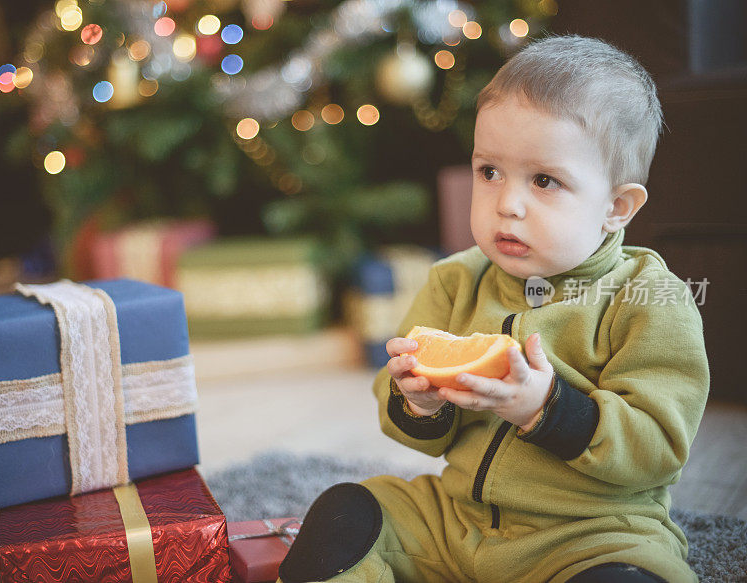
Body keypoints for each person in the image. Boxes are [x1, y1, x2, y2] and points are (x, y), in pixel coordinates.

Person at [277, 34, 709, 583]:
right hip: (456, 523)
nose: (507, 203)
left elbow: (657, 448)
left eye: (545, 180)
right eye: (489, 172)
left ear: (616, 207)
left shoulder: (651, 298)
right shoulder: (455, 280)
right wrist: (418, 402)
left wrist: (545, 407)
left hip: (590, 535)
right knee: (351, 508)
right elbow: (405, 427)